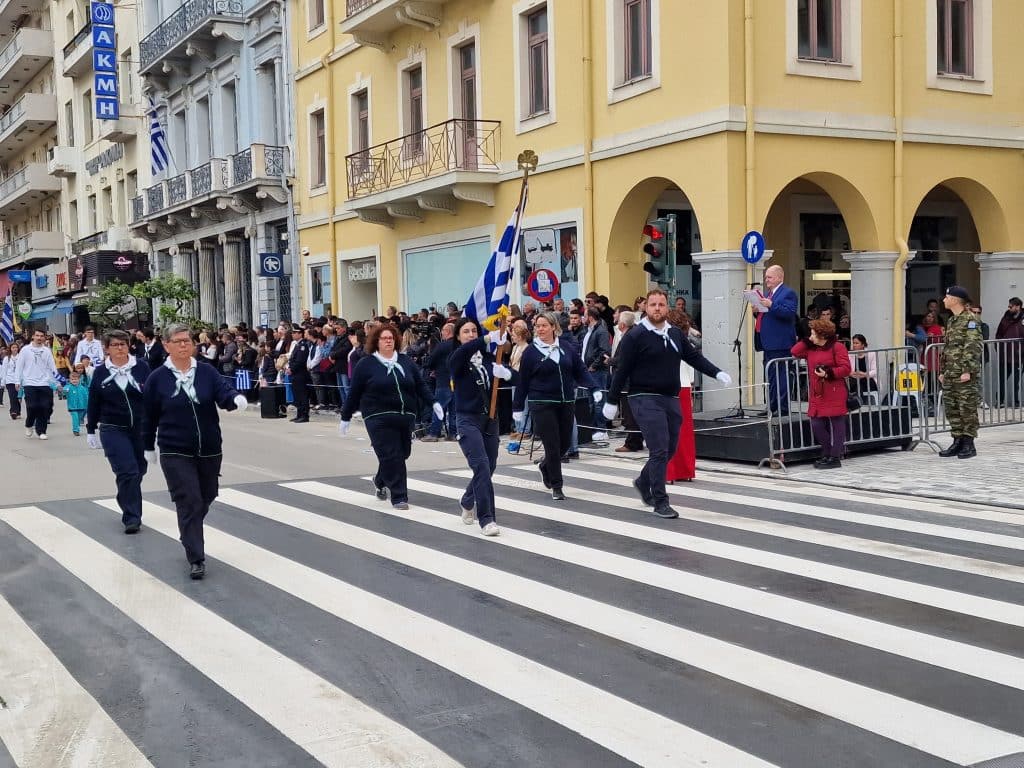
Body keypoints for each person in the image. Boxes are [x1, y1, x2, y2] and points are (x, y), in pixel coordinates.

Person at [604, 289, 731, 519]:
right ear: (646, 307)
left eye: (661, 304)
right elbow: (622, 369)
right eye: (653, 304)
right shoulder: (636, 335)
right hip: (643, 397)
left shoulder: (674, 334)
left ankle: (643, 481)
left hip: (669, 397)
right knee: (659, 448)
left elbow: (693, 357)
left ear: (667, 307)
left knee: (670, 448)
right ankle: (660, 501)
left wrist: (717, 372)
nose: (657, 308)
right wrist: (611, 400)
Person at [143, 324, 248, 579]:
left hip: (209, 448)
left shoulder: (206, 371)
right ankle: (196, 557)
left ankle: (188, 527)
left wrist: (235, 399)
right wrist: (147, 446)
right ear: (166, 345)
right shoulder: (157, 378)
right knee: (189, 500)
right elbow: (149, 416)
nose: (183, 345)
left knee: (207, 495)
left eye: (187, 341)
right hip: (174, 449)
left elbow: (222, 392)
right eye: (177, 341)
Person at [338, 323, 439, 510]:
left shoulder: (405, 361)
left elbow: (420, 385)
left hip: (404, 415)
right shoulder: (366, 364)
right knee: (392, 455)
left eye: (391, 338)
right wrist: (346, 416)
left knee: (402, 453)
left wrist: (433, 402)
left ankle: (379, 479)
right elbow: (354, 392)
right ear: (376, 341)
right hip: (377, 416)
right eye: (384, 338)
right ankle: (399, 496)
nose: (388, 341)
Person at [513, 311, 599, 501]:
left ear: (554, 327)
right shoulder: (531, 353)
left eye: (544, 325)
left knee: (565, 443)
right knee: (552, 444)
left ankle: (545, 466)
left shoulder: (566, 348)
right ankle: (557, 485)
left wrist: (594, 387)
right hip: (542, 403)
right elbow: (523, 381)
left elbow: (580, 371)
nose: (540, 329)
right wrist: (517, 407)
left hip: (566, 402)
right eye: (538, 326)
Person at [448, 317, 511, 535]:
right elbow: (461, 354)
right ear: (458, 336)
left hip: (490, 419)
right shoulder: (457, 358)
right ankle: (487, 519)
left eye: (474, 331)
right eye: (466, 332)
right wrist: (486, 337)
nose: (471, 335)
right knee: (481, 465)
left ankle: (467, 499)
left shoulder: (487, 357)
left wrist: (507, 373)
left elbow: (511, 377)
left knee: (490, 466)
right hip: (467, 419)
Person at [86, 330, 152, 533]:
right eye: (115, 345)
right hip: (112, 428)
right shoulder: (101, 372)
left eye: (123, 344)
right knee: (128, 471)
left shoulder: (141, 367)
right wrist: (91, 429)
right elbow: (94, 401)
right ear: (107, 349)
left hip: (139, 428)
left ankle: (125, 494)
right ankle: (132, 517)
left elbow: (152, 396)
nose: (120, 348)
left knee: (139, 469)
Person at [791, 319, 852, 469]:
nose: (811, 336)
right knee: (816, 423)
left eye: (813, 333)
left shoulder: (837, 347)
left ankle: (835, 456)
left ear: (822, 335)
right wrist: (807, 341)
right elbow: (794, 351)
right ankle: (827, 451)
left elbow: (846, 368)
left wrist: (828, 373)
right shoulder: (811, 348)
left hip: (834, 390)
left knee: (837, 422)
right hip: (817, 391)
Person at [938, 286, 983, 459]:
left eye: (947, 297)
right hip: (950, 373)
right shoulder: (952, 321)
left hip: (963, 373)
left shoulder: (971, 319)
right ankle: (957, 440)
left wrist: (967, 371)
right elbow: (948, 348)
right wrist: (943, 370)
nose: (944, 300)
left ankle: (968, 444)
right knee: (952, 408)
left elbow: (972, 347)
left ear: (956, 300)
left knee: (967, 408)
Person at [754, 265, 798, 416]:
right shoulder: (769, 294)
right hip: (768, 342)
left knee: (782, 376)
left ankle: (783, 408)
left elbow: (789, 313)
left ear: (780, 277)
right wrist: (757, 310)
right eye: (766, 277)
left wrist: (771, 305)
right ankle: (772, 406)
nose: (767, 280)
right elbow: (769, 316)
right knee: (771, 377)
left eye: (770, 277)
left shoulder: (788, 293)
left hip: (780, 342)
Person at [665, 311, 698, 482]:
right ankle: (686, 470)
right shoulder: (688, 346)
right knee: (684, 431)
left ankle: (669, 472)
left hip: (667, 388)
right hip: (684, 387)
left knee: (667, 431)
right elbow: (692, 376)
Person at [13, 329, 61, 440]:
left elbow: (52, 367)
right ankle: (29, 424)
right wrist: (17, 381)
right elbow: (19, 366)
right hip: (29, 382)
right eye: (37, 335)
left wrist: (57, 382)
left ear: (44, 338)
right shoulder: (25, 350)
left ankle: (41, 431)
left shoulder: (46, 350)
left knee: (45, 407)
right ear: (33, 337)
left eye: (41, 336)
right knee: (32, 406)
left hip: (45, 382)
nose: (39, 338)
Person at [579, 306, 612, 439]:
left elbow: (604, 351)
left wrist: (594, 365)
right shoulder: (589, 331)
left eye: (584, 316)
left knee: (599, 400)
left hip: (597, 372)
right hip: (588, 371)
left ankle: (601, 429)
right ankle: (594, 428)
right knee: (591, 401)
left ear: (590, 317)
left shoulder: (601, 332)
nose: (582, 318)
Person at [421, 322, 456, 442]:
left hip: (443, 381)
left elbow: (431, 360)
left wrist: (430, 367)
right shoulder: (459, 345)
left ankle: (434, 433)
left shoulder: (442, 346)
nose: (441, 333)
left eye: (443, 331)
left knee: (439, 407)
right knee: (454, 410)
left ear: (448, 331)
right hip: (456, 381)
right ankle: (453, 433)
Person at [995, 297, 1024, 407]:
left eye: (1011, 306)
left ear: (1018, 307)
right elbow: (998, 335)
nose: (1009, 308)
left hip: (1018, 356)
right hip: (1005, 356)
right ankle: (999, 402)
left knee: (1016, 381)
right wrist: (1000, 349)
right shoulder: (1005, 318)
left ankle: (1016, 402)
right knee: (1001, 380)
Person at [287, 325, 312, 422]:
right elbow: (293, 359)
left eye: (294, 333)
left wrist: (291, 369)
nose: (293, 334)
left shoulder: (303, 345)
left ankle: (304, 415)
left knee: (302, 395)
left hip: (300, 374)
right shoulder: (297, 344)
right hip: (295, 374)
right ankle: (299, 414)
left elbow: (300, 361)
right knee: (297, 395)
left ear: (300, 334)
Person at [847, 334, 879, 400]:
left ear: (863, 344)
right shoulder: (850, 355)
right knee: (854, 383)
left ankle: (859, 403)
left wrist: (864, 374)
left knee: (856, 384)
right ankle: (860, 402)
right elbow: (847, 369)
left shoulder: (871, 354)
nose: (854, 345)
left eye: (857, 343)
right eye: (853, 343)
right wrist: (851, 373)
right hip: (855, 379)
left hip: (868, 379)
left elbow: (875, 371)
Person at [64, 370, 89, 436]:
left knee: (78, 419)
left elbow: (86, 397)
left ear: (79, 379)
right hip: (73, 407)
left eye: (76, 379)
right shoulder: (68, 387)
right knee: (75, 418)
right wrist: (64, 391)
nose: (74, 381)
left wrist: (88, 404)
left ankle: (77, 427)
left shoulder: (82, 388)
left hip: (82, 407)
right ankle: (76, 430)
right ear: (70, 380)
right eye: (72, 379)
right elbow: (64, 391)